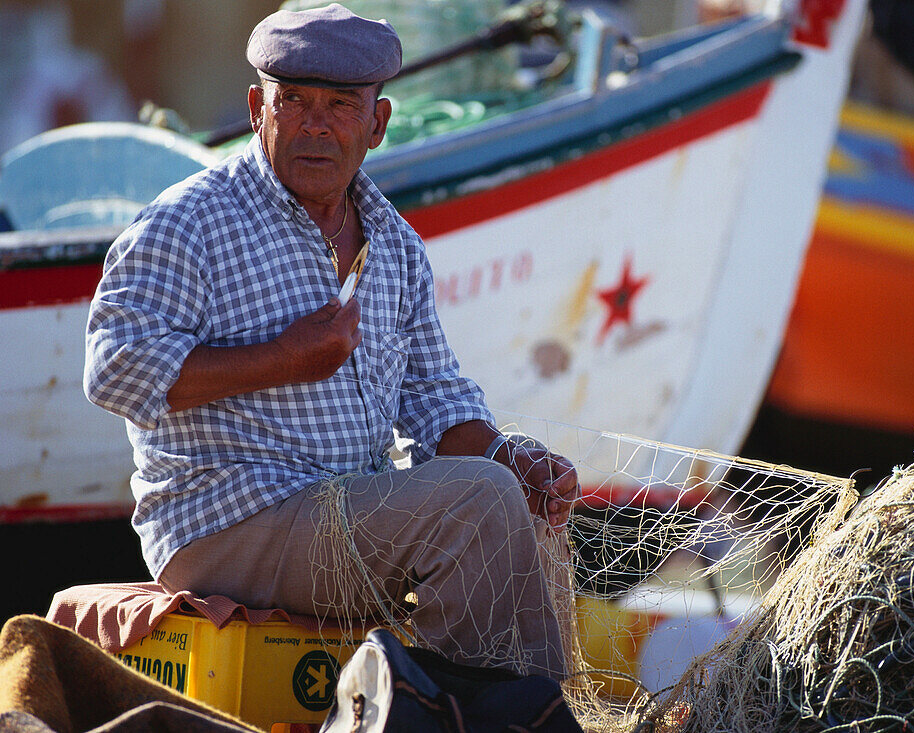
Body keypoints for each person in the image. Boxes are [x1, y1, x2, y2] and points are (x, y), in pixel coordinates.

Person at [84, 3, 578, 680]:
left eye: (341, 104)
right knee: (479, 501)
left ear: (377, 124)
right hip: (221, 523)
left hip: (343, 513)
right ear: (258, 109)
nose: (314, 124)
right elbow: (112, 371)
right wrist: (280, 360)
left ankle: (474, 708)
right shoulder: (188, 222)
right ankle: (471, 715)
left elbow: (436, 400)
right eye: (293, 100)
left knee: (510, 493)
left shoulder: (395, 243)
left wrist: (508, 457)